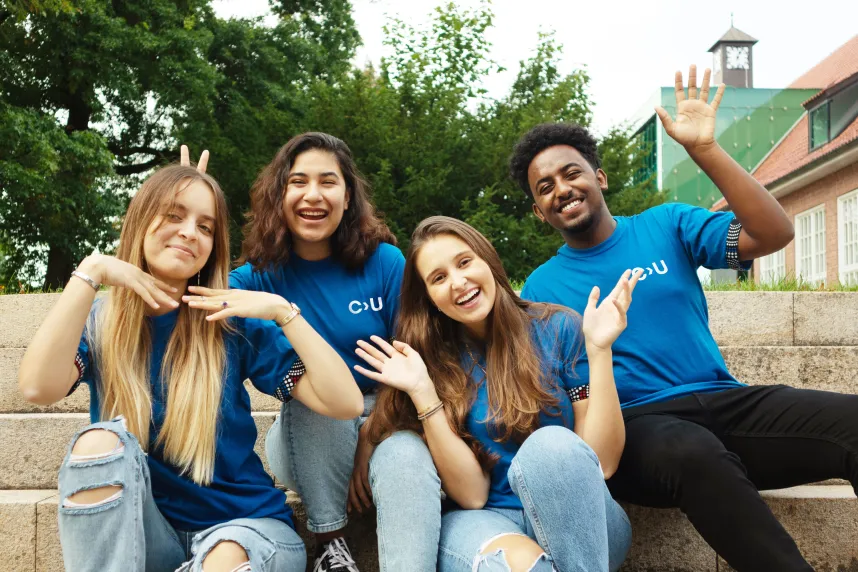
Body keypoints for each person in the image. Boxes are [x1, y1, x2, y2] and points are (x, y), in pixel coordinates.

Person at [512, 66, 858, 571]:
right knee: (692, 451)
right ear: (539, 212)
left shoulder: (667, 224)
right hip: (638, 431)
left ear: (599, 178)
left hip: (725, 403)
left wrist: (705, 150)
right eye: (545, 187)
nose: (561, 189)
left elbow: (774, 234)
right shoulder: (541, 289)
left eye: (571, 173)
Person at [17, 153, 364, 572]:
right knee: (96, 444)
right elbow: (37, 388)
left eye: (205, 227)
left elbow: (345, 403)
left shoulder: (230, 323)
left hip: (244, 529)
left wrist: (282, 311)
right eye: (174, 215)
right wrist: (91, 272)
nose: (189, 232)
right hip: (149, 535)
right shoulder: (101, 323)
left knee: (223, 560)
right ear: (140, 219)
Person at [358, 216, 635, 572]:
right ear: (429, 298)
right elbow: (473, 495)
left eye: (464, 262)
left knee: (550, 446)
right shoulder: (432, 362)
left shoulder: (557, 328)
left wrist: (599, 351)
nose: (458, 282)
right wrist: (423, 392)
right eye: (439, 278)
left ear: (487, 259)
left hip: (583, 519)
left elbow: (603, 462)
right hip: (490, 520)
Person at [230, 132, 442, 572]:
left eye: (328, 182)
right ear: (278, 195)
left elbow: (419, 364)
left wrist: (370, 434)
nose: (313, 195)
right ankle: (330, 546)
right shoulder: (256, 278)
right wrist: (183, 207)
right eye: (298, 182)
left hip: (390, 418)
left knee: (406, 456)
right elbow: (191, 299)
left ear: (347, 198)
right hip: (306, 432)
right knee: (315, 396)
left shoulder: (385, 263)